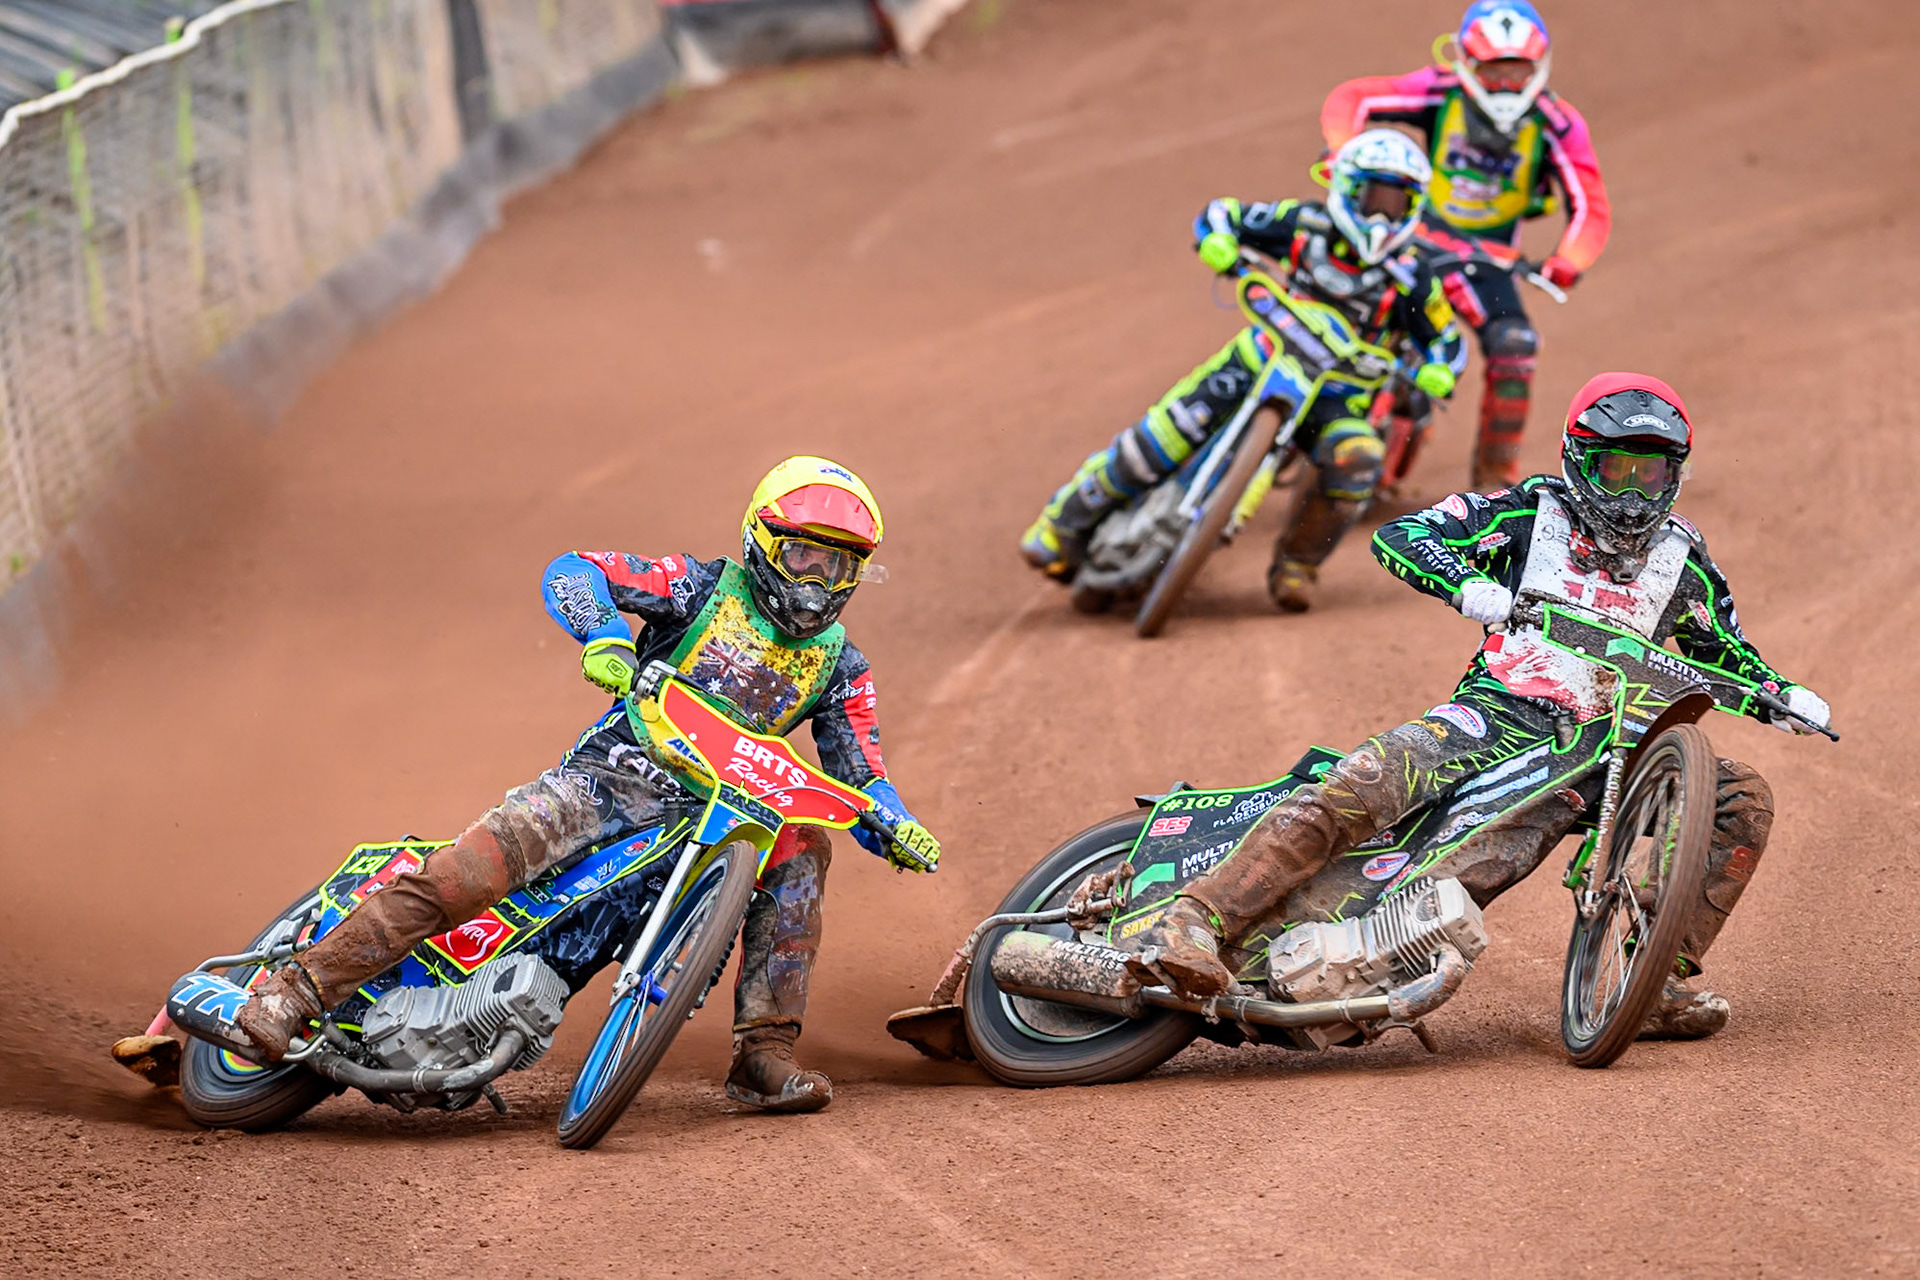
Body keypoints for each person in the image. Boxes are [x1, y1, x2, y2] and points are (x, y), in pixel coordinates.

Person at [1128, 373, 1831, 1039]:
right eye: (1614, 468)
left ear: (1673, 474)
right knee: (1368, 779)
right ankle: (1194, 919)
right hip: (1497, 714)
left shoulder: (1684, 558)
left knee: (1741, 800)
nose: (1629, 491)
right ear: (1579, 459)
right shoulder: (1530, 511)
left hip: (1609, 751)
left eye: (1647, 473)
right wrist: (1468, 585)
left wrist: (1783, 695)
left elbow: (1723, 652)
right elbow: (1403, 535)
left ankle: (1653, 981)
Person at [230, 457, 941, 1113]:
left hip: (709, 828)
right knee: (471, 872)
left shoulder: (842, 669)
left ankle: (764, 1052)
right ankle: (296, 990)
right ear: (762, 542)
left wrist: (897, 826)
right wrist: (604, 636)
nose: (816, 580)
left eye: (838, 565)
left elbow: (863, 775)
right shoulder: (697, 587)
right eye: (803, 557)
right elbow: (575, 569)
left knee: (805, 843)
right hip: (605, 782)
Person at [1020, 129, 1466, 612]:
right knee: (1164, 433)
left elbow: (1446, 338)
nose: (1381, 215)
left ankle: (1298, 565)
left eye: (1396, 203)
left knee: (1357, 457)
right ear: (1346, 187)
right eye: (1374, 197)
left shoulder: (1413, 275)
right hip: (1260, 358)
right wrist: (1217, 242)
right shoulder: (1304, 225)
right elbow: (1223, 214)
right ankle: (1061, 525)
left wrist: (1439, 370)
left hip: (1338, 397)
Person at [1321, 0, 1611, 491]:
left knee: (1516, 345)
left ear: (1540, 66)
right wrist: (1341, 150)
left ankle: (1494, 485)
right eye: (1493, 71)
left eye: (1517, 72)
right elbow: (1353, 98)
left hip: (1484, 262)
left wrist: (1569, 260)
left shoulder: (1558, 124)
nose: (1505, 85)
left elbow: (1591, 205)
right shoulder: (1439, 89)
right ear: (1467, 61)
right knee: (1327, 299)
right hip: (1404, 238)